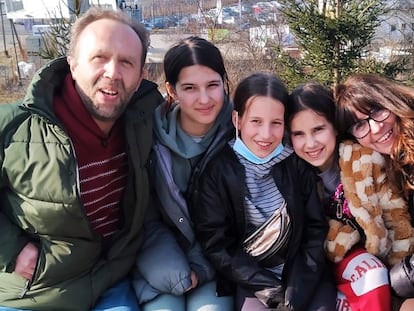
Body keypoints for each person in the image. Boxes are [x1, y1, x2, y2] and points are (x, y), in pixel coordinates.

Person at [0, 7, 164, 311]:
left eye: (127, 62)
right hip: (33, 294)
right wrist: (11, 249)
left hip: (110, 283)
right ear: (73, 65)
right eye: (100, 57)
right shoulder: (13, 128)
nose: (113, 73)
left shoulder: (145, 122)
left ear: (142, 76)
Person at [190, 72, 336, 311]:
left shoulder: (295, 164)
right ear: (237, 120)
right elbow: (218, 244)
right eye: (256, 122)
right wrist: (268, 288)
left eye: (276, 123)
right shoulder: (218, 171)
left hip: (304, 274)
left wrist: (297, 288)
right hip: (252, 280)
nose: (266, 135)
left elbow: (314, 228)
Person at [131, 36, 234, 310]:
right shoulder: (149, 136)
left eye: (213, 85)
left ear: (224, 83)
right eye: (189, 87)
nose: (204, 99)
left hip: (222, 262)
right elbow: (144, 216)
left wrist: (202, 266)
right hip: (160, 261)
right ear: (172, 90)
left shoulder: (243, 132)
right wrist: (173, 272)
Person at [287, 81, 399, 311]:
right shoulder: (292, 174)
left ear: (335, 127)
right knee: (371, 274)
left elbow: (394, 214)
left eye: (318, 129)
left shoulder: (363, 161)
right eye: (299, 134)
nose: (311, 143)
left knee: (374, 274)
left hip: (368, 250)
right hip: (321, 259)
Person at [334, 73, 414, 311]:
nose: (376, 127)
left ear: (391, 100)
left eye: (377, 110)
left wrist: (401, 277)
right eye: (360, 125)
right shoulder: (389, 164)